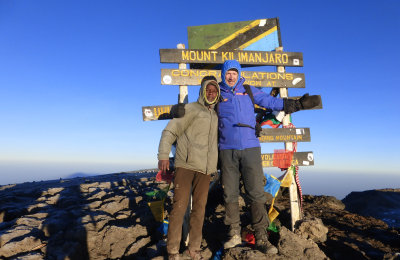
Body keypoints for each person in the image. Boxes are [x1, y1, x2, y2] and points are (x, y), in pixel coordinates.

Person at [217, 60, 319, 254]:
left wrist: (297, 104)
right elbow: (203, 111)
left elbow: (270, 102)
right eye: (228, 73)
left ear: (238, 74)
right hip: (226, 149)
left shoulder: (248, 89)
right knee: (229, 193)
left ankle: (261, 237)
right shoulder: (217, 93)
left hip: (250, 148)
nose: (231, 76)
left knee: (255, 192)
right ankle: (234, 234)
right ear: (223, 74)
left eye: (234, 73)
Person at [158, 76, 220, 260]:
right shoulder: (191, 108)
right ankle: (172, 251)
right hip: (185, 166)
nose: (211, 93)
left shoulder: (215, 116)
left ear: (217, 95)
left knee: (199, 210)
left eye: (214, 91)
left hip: (205, 170)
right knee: (179, 208)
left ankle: (194, 248)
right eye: (208, 90)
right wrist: (163, 155)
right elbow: (170, 131)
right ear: (202, 91)